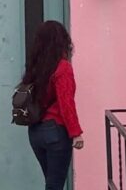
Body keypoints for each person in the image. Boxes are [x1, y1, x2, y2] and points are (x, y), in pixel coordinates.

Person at [20, 20, 83, 190]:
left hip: (35, 133)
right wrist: (75, 133)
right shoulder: (63, 68)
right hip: (55, 132)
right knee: (55, 185)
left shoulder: (35, 68)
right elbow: (66, 103)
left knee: (52, 183)